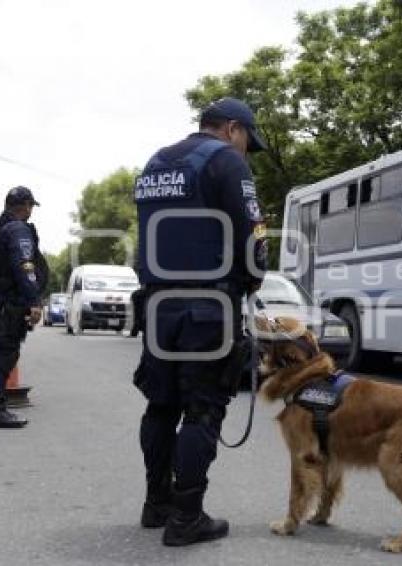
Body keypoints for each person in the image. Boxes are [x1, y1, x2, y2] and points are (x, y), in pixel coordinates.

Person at [133, 97, 268, 546]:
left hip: (158, 304)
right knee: (203, 408)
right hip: (206, 307)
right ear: (232, 129)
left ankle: (157, 504)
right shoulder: (226, 161)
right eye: (249, 141)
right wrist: (253, 277)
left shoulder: (155, 163)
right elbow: (252, 233)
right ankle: (187, 518)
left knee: (161, 405)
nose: (247, 151)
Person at [0, 186, 48, 428]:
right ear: (25, 205)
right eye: (30, 206)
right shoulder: (17, 228)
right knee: (6, 353)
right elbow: (24, 265)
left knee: (1, 351)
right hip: (9, 300)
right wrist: (35, 301)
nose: (31, 211)